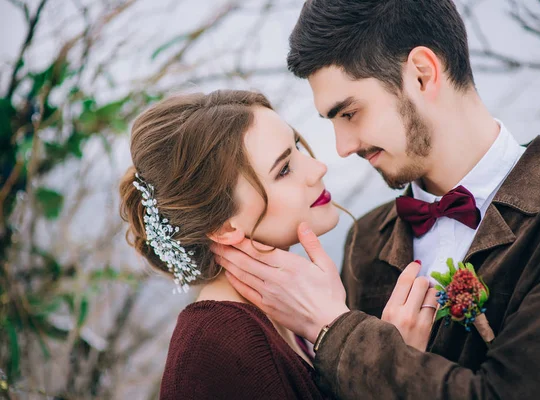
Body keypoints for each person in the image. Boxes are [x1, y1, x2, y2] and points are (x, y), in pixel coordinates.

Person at [213, 1, 540, 399]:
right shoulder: (364, 241)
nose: (342, 147)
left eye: (349, 114)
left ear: (422, 74)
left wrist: (335, 329)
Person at [119, 90, 435, 399]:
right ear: (224, 226)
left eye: (297, 147)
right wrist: (393, 373)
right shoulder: (216, 349)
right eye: (283, 170)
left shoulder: (286, 311)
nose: (317, 168)